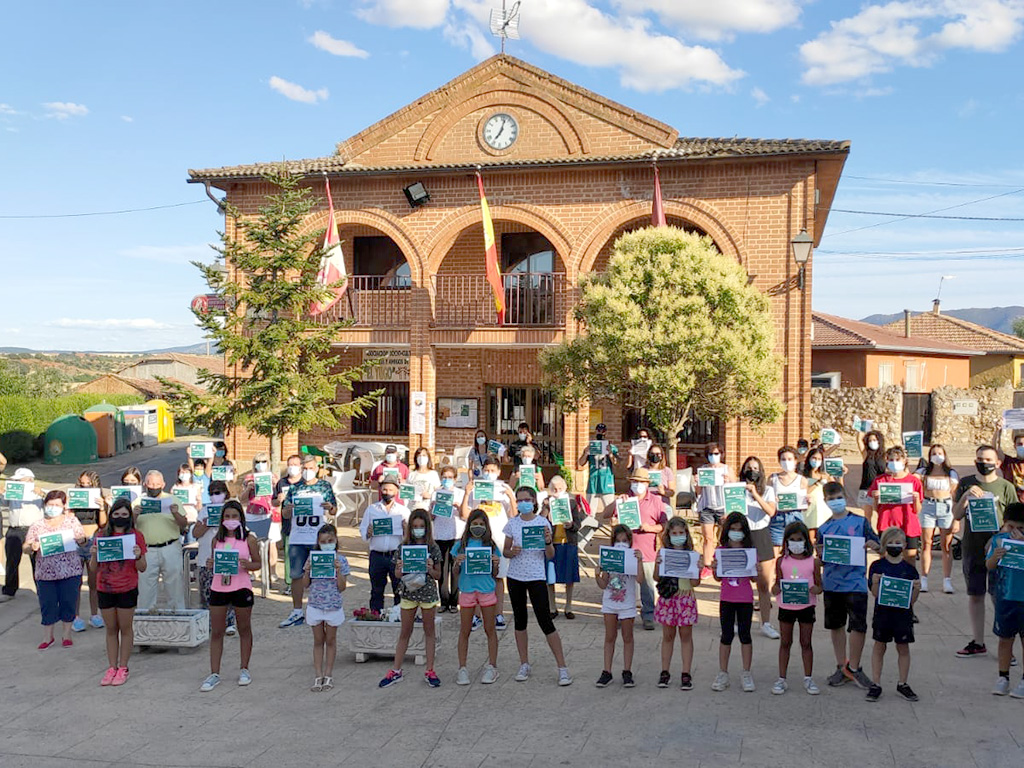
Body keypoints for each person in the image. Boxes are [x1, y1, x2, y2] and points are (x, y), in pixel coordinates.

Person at [952, 445, 1018, 658]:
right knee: (975, 594)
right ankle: (978, 641)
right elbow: (956, 515)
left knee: (999, 595)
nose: (984, 462)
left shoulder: (1006, 487)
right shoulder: (966, 483)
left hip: (999, 549)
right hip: (972, 547)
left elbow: (1014, 521)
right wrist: (965, 497)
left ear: (998, 463)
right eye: (980, 458)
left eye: (989, 459)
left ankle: (1005, 643)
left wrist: (998, 536)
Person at [503, 486, 572, 686]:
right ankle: (524, 663)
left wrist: (549, 542)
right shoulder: (512, 524)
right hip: (515, 577)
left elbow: (550, 555)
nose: (522, 503)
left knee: (545, 621)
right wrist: (511, 551)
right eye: (519, 500)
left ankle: (562, 667)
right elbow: (505, 551)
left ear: (533, 501)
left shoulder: (543, 523)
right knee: (520, 621)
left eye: (526, 499)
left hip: (536, 576)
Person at [816, 481, 880, 690]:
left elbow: (879, 546)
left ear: (845, 496)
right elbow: (821, 558)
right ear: (825, 501)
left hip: (856, 583)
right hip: (833, 584)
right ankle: (841, 665)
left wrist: (874, 546)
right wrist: (820, 554)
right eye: (831, 499)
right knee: (836, 626)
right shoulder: (823, 528)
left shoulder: (860, 522)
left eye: (838, 497)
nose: (835, 502)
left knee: (858, 626)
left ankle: (854, 666)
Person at [200, 500, 261, 692]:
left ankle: (244, 668)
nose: (230, 520)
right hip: (219, 587)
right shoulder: (216, 540)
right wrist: (211, 563)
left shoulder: (249, 539)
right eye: (227, 516)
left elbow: (258, 563)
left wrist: (247, 564)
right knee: (217, 631)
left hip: (241, 587)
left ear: (241, 518)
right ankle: (214, 673)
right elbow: (215, 563)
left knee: (244, 628)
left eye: (234, 516)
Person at [379, 509, 444, 688]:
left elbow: (438, 575)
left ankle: (430, 670)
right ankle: (396, 670)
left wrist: (430, 568)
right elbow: (397, 574)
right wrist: (399, 568)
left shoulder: (433, 548)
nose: (418, 529)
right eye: (415, 526)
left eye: (421, 526)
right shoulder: (402, 547)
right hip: (408, 593)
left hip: (428, 594)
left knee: (429, 631)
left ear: (427, 528)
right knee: (404, 632)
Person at [89, 498, 147, 686]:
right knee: (111, 629)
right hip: (105, 587)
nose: (120, 517)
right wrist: (94, 555)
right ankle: (111, 667)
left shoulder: (136, 536)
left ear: (130, 516)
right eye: (116, 514)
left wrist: (138, 555)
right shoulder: (100, 535)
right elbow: (92, 568)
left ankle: (123, 667)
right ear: (111, 515)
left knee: (125, 628)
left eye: (124, 514)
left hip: (127, 587)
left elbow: (143, 567)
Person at [602, 467, 667, 630]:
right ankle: (618, 614)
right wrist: (617, 501)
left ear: (647, 484)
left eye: (641, 482)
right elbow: (605, 514)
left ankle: (648, 616)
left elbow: (664, 525)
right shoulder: (625, 499)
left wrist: (650, 528)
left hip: (646, 550)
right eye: (635, 481)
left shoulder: (656, 501)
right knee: (618, 583)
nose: (638, 484)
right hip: (623, 550)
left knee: (647, 586)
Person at [279, 454, 337, 628]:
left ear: (317, 469)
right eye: (305, 468)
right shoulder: (295, 488)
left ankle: (320, 607)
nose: (308, 471)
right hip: (298, 536)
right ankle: (297, 610)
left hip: (318, 538)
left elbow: (334, 510)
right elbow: (285, 514)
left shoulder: (324, 486)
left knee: (320, 572)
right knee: (296, 574)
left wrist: (329, 507)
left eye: (311, 468)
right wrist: (288, 510)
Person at [25, 491, 87, 648]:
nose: (53, 508)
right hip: (45, 574)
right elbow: (26, 546)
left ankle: (66, 635)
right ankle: (48, 637)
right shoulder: (37, 525)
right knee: (47, 604)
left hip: (70, 571)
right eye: (50, 505)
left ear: (64, 506)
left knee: (68, 602)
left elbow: (83, 540)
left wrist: (82, 540)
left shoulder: (72, 522)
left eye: (57, 505)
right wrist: (32, 547)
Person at [461, 456, 517, 630]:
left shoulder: (504, 488)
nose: (489, 474)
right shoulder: (476, 487)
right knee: (478, 576)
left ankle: (498, 614)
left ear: (499, 472)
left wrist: (510, 497)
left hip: (498, 539)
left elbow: (514, 516)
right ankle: (477, 616)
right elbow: (464, 515)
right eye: (486, 470)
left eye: (493, 471)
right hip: (478, 540)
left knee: (499, 578)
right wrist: (467, 493)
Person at [866, 527, 921, 702]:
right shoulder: (877, 566)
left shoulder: (909, 569)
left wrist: (916, 590)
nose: (895, 545)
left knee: (903, 648)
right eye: (891, 542)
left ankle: (903, 683)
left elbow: (911, 600)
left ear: (905, 545)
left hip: (903, 616)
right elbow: (875, 593)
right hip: (882, 614)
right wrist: (875, 582)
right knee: (879, 646)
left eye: (898, 542)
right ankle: (876, 683)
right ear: (883, 545)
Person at [771, 521, 822, 695]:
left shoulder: (813, 562)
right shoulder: (781, 561)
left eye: (799, 539)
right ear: (786, 541)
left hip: (806, 606)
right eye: (791, 539)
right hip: (786, 606)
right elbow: (776, 584)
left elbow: (819, 586)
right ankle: (781, 679)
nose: (795, 543)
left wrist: (816, 589)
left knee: (806, 643)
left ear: (806, 541)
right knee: (785, 642)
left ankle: (808, 678)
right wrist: (774, 589)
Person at [452, 509, 501, 685]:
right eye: (474, 524)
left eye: (481, 524)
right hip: (467, 590)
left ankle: (492, 667)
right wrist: (457, 562)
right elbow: (455, 572)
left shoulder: (492, 546)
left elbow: (495, 574)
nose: (478, 527)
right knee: (465, 630)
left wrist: (496, 564)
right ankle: (462, 668)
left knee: (490, 629)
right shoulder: (460, 545)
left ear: (486, 526)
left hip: (486, 590)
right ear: (469, 525)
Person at [710, 512, 757, 692]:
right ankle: (723, 673)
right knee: (726, 635)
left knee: (745, 635)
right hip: (727, 599)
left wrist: (756, 569)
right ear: (727, 530)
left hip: (745, 599)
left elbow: (753, 579)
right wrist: (715, 569)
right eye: (733, 529)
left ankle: (746, 672)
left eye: (739, 529)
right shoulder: (720, 551)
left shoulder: (750, 551)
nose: (736, 532)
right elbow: (718, 578)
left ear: (745, 532)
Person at [654, 517, 701, 690]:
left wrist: (698, 568)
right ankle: (664, 671)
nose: (678, 536)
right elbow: (656, 578)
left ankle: (686, 673)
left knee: (686, 636)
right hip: (669, 598)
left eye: (681, 533)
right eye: (674, 533)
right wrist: (658, 564)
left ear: (686, 534)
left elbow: (696, 583)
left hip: (686, 597)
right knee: (667, 636)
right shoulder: (663, 552)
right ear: (669, 535)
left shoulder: (692, 555)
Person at [301, 523, 349, 692]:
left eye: (330, 540)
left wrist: (339, 571)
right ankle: (318, 674)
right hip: (315, 604)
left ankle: (328, 673)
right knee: (318, 640)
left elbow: (342, 587)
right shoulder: (312, 558)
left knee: (330, 640)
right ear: (318, 542)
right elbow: (305, 585)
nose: (327, 543)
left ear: (335, 540)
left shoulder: (341, 560)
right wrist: (307, 571)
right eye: (323, 541)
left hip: (333, 605)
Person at [594, 524, 644, 688]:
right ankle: (606, 671)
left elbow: (640, 579)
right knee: (609, 637)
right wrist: (597, 574)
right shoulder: (609, 558)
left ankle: (627, 671)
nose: (621, 543)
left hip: (627, 603)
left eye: (624, 540)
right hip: (610, 602)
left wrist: (639, 561)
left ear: (630, 542)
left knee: (628, 637)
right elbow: (603, 584)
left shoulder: (632, 557)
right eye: (617, 540)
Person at [738, 455, 780, 639]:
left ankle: (766, 623)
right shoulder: (736, 489)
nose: (752, 471)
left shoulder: (768, 490)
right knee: (740, 582)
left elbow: (771, 511)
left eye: (755, 468)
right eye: (749, 467)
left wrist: (755, 493)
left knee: (763, 584)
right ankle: (738, 622)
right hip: (742, 536)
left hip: (761, 535)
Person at [133, 470, 187, 612]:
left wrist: (175, 512)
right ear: (145, 484)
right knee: (146, 586)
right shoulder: (138, 502)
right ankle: (146, 616)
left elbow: (184, 524)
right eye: (151, 484)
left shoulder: (173, 500)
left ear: (163, 484)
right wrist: (135, 514)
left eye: (157, 484)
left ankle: (177, 615)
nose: (154, 486)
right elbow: (129, 526)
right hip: (147, 549)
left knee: (174, 584)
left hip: (170, 546)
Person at [986, 502, 1024, 697]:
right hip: (1005, 596)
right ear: (1004, 524)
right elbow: (989, 565)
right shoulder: (999, 540)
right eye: (1011, 527)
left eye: (1021, 528)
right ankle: (1003, 677)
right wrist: (996, 556)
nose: (1015, 532)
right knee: (1005, 639)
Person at [359, 475, 411, 614]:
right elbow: (363, 530)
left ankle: (400, 615)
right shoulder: (371, 509)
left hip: (396, 554)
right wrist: (368, 532)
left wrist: (406, 530)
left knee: (399, 587)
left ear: (397, 491)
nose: (387, 492)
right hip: (377, 555)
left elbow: (409, 538)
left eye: (391, 489)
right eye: (385, 489)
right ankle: (376, 615)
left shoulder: (403, 511)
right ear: (381, 490)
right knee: (376, 589)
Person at [193, 481, 236, 633]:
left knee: (228, 589)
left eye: (218, 492)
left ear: (225, 493)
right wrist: (205, 525)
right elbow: (195, 534)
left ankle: (229, 622)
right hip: (206, 557)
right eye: (212, 493)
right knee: (207, 592)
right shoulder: (205, 510)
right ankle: (208, 623)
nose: (215, 495)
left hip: (226, 556)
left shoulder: (232, 509)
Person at [916, 443, 959, 594]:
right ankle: (924, 579)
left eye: (939, 453)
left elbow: (954, 495)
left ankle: (947, 580)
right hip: (928, 506)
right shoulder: (923, 471)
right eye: (933, 453)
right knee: (926, 543)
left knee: (946, 545)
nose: (937, 456)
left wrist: (956, 517)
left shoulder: (951, 473)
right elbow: (913, 481)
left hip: (945, 507)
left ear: (945, 455)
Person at [70, 470, 107, 632]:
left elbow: (103, 524)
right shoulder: (74, 497)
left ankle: (94, 615)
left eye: (88, 483)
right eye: (82, 483)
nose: (85, 486)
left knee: (93, 582)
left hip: (93, 539)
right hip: (76, 541)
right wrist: (68, 508)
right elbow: (69, 519)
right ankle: (75, 617)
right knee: (75, 582)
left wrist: (101, 507)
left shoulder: (99, 498)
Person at [542, 475, 583, 619]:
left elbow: (578, 524)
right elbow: (541, 520)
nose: (557, 491)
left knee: (569, 576)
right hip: (553, 544)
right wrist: (546, 507)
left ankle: (568, 606)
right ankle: (552, 607)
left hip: (568, 542)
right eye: (554, 489)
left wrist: (571, 525)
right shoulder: (547, 502)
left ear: (564, 488)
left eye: (559, 488)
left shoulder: (571, 503)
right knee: (550, 576)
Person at [695, 443, 737, 580]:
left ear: (721, 454)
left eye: (716, 453)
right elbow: (698, 492)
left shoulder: (727, 469)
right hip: (707, 506)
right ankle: (707, 566)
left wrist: (728, 481)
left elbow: (734, 489)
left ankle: (726, 564)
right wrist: (698, 483)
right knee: (708, 538)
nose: (714, 456)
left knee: (726, 537)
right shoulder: (703, 469)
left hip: (722, 507)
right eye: (711, 454)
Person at [1, 468, 43, 601]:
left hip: (33, 529)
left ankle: (42, 591)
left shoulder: (38, 493)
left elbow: (51, 505)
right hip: (14, 529)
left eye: (20, 480)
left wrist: (41, 494)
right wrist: (2, 493)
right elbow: (3, 503)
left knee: (37, 562)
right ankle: (9, 590)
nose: (17, 483)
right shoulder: (14, 492)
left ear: (29, 479)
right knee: (12, 561)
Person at [430, 464, 464, 612]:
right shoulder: (436, 493)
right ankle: (443, 601)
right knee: (442, 571)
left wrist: (458, 506)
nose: (447, 480)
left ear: (455, 479)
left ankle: (454, 602)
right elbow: (430, 516)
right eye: (444, 477)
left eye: (450, 477)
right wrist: (433, 506)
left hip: (456, 535)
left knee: (455, 569)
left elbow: (465, 514)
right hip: (440, 535)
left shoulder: (460, 493)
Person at [273, 454, 305, 591]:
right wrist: (278, 500)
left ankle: (305, 582)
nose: (292, 467)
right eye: (290, 465)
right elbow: (273, 501)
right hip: (288, 524)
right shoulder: (282, 483)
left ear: (301, 467)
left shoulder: (305, 482)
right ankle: (290, 583)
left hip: (304, 525)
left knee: (304, 555)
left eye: (295, 465)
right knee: (289, 555)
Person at [769, 447, 808, 553]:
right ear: (779, 461)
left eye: (790, 459)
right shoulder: (773, 479)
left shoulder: (802, 480)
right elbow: (767, 500)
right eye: (783, 459)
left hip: (795, 518)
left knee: (796, 552)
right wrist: (772, 500)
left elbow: (803, 507)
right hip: (777, 519)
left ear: (795, 460)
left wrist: (807, 502)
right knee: (775, 554)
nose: (786, 462)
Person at [576, 422, 618, 518]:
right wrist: (586, 453)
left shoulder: (612, 447)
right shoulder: (591, 446)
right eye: (599, 430)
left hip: (606, 482)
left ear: (606, 432)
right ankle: (589, 532)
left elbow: (616, 462)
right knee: (589, 513)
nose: (601, 433)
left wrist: (610, 453)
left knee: (611, 512)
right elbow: (581, 463)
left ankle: (614, 532)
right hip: (593, 483)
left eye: (603, 431)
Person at [239, 452, 276, 540]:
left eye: (263, 461)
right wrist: (248, 489)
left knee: (271, 543)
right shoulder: (249, 478)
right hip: (253, 514)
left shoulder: (274, 477)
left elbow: (278, 498)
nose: (260, 464)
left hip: (269, 513)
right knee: (253, 540)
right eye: (257, 462)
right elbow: (242, 500)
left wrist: (274, 486)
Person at [801, 446, 832, 535]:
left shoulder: (825, 474)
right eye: (814, 458)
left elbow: (837, 488)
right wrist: (817, 482)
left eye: (819, 459)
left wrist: (840, 475)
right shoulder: (802, 475)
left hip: (824, 509)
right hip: (809, 508)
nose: (816, 461)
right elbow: (804, 491)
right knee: (810, 534)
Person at [994, 418, 1024, 503]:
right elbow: (996, 449)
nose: (1022, 446)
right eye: (1020, 444)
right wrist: (998, 431)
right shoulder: (1009, 463)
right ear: (1015, 446)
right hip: (1013, 505)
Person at [856, 429, 886, 509]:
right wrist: (862, 427)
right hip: (866, 488)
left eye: (874, 440)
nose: (872, 442)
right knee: (867, 514)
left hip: (881, 489)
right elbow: (859, 440)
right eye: (870, 440)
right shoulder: (866, 454)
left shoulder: (885, 455)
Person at [407, 447, 441, 512]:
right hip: (413, 508)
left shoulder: (433, 474)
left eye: (424, 455)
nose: (421, 457)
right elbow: (407, 492)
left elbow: (438, 492)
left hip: (428, 508)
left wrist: (430, 496)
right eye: (419, 455)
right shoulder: (411, 474)